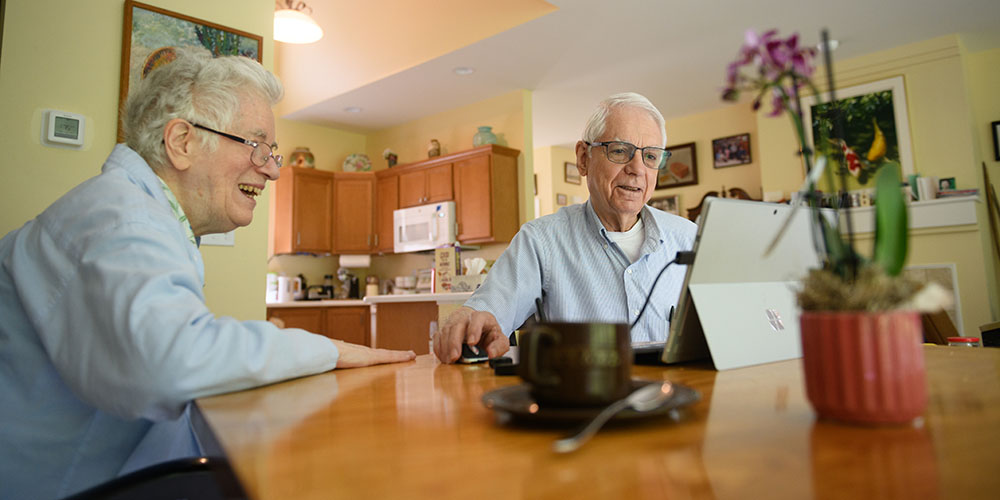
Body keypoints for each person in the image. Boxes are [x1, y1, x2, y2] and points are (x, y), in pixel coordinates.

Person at [0, 47, 415, 499]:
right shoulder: (121, 218)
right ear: (182, 142)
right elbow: (173, 360)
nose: (272, 169)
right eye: (257, 145)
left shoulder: (141, 215)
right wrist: (328, 349)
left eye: (271, 150)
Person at [433, 92, 697, 364]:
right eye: (620, 151)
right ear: (583, 158)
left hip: (672, 397)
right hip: (581, 399)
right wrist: (466, 320)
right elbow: (486, 312)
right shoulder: (541, 241)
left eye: (651, 157)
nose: (637, 169)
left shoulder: (688, 238)